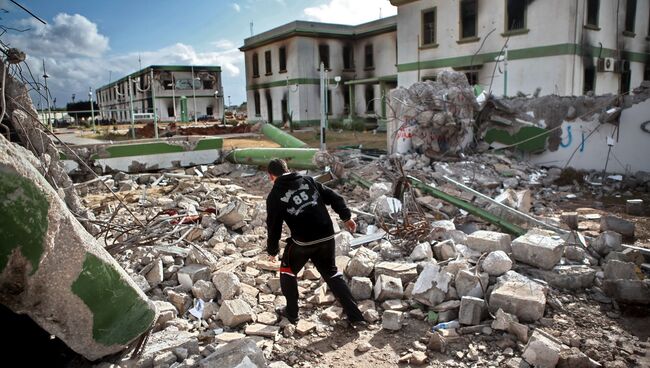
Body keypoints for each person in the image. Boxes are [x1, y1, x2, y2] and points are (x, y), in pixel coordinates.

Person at [265, 158, 364, 325]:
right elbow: (335, 198)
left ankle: (292, 313)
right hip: (327, 235)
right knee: (331, 273)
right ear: (288, 168)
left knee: (287, 272)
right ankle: (356, 316)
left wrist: (272, 251)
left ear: (271, 176)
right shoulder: (308, 180)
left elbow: (273, 226)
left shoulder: (274, 195)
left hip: (303, 242)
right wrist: (346, 217)